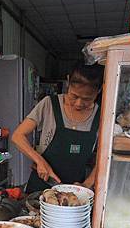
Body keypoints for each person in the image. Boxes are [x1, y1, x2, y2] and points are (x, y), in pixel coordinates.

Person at [12, 62, 103, 193]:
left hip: (76, 191)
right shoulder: (49, 104)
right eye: (74, 96)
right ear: (68, 82)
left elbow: (105, 155)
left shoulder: (102, 115)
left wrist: (87, 184)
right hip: (41, 186)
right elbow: (17, 136)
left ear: (98, 91)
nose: (78, 104)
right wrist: (40, 161)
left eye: (87, 99)